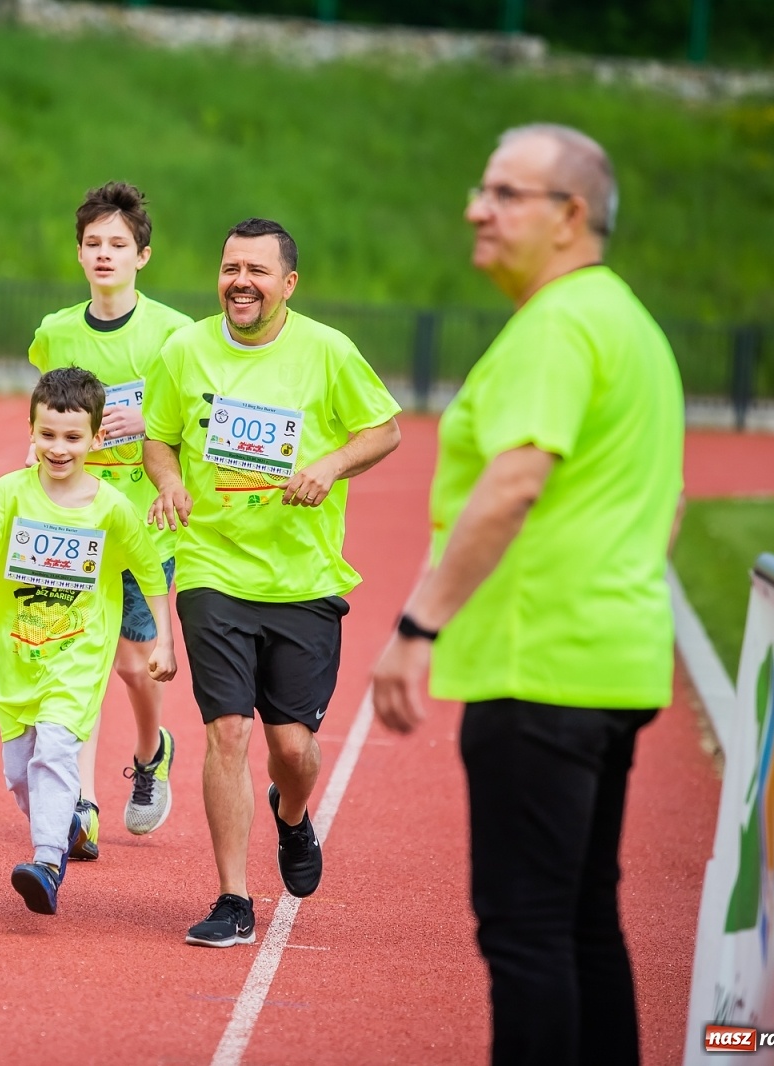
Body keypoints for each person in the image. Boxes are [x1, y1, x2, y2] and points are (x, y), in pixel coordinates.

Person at [368, 125, 684, 1066]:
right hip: (613, 663)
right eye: (482, 188)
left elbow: (516, 480)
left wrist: (418, 624)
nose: (478, 208)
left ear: (570, 216)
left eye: (506, 193)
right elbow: (664, 509)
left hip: (538, 665)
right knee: (584, 920)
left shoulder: (556, 325)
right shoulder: (629, 322)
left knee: (528, 933)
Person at [144, 219, 402, 947]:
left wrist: (329, 467)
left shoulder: (327, 352)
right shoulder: (185, 349)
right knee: (225, 732)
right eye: (230, 268)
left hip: (303, 577)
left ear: (288, 283)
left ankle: (291, 816)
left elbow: (383, 429)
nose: (240, 282)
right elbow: (156, 437)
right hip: (211, 567)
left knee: (291, 749)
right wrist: (168, 483)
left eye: (257, 270)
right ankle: (233, 897)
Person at [0, 367, 177, 915]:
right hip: (15, 654)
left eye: (73, 437)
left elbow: (149, 573)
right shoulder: (9, 495)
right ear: (31, 432)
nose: (59, 447)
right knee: (20, 772)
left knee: (55, 746)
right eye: (48, 434)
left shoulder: (112, 508)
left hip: (79, 654)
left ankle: (47, 862)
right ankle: (65, 820)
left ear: (97, 438)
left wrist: (165, 643)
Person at [27, 181, 193, 860]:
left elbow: (192, 426)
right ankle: (82, 804)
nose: (104, 254)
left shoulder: (174, 335)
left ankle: (152, 752)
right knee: (79, 663)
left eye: (117, 244)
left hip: (144, 522)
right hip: (75, 523)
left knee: (132, 666)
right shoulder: (56, 332)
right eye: (93, 244)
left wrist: (147, 422)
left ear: (142, 256)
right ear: (79, 253)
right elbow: (43, 415)